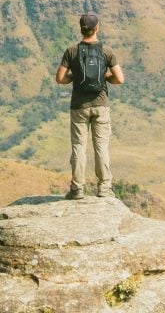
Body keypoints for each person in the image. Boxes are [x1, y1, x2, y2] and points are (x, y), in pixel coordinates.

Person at [55, 12, 124, 199]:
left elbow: (60, 78)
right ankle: (104, 188)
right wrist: (104, 77)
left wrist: (75, 77)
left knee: (78, 146)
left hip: (79, 106)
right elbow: (119, 79)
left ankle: (77, 188)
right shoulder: (106, 51)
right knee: (101, 147)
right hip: (101, 105)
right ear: (97, 28)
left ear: (81, 29)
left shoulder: (72, 51)